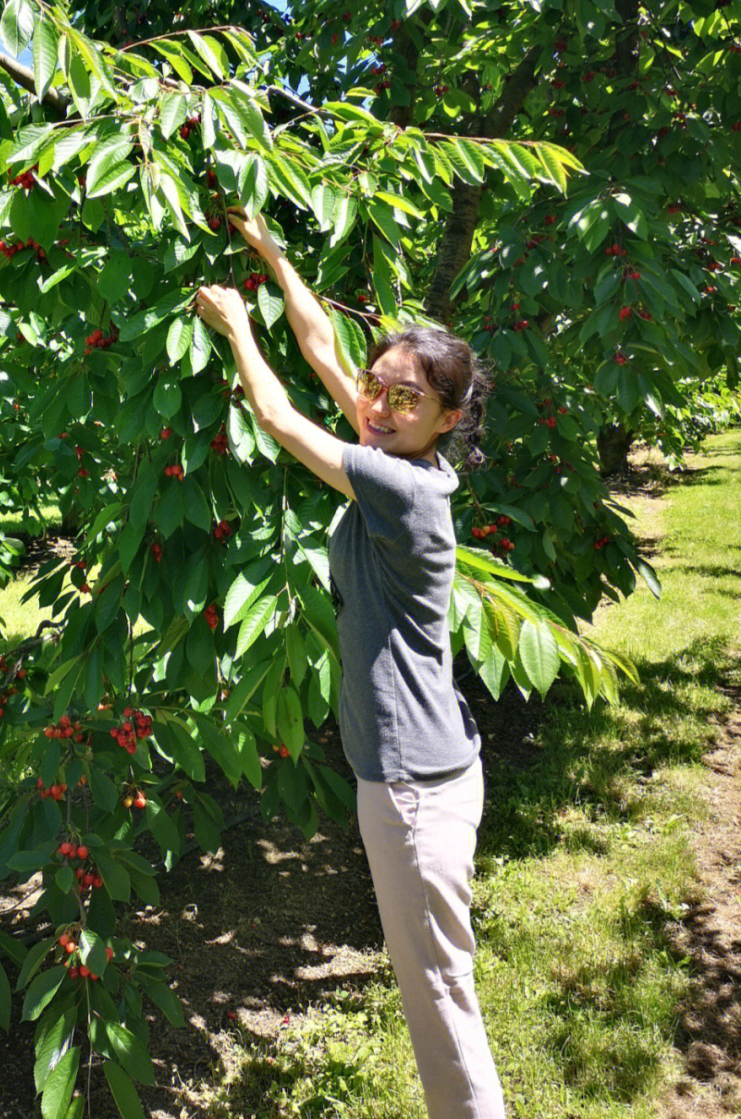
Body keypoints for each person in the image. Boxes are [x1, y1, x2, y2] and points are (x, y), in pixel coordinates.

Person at [193, 210, 505, 1119]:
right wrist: (272, 252)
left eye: (408, 396)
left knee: (440, 997)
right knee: (437, 985)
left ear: (448, 417)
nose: (379, 402)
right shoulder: (385, 448)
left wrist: (238, 327)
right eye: (380, 385)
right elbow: (327, 352)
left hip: (413, 787)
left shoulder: (403, 485)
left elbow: (278, 415)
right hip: (420, 765)